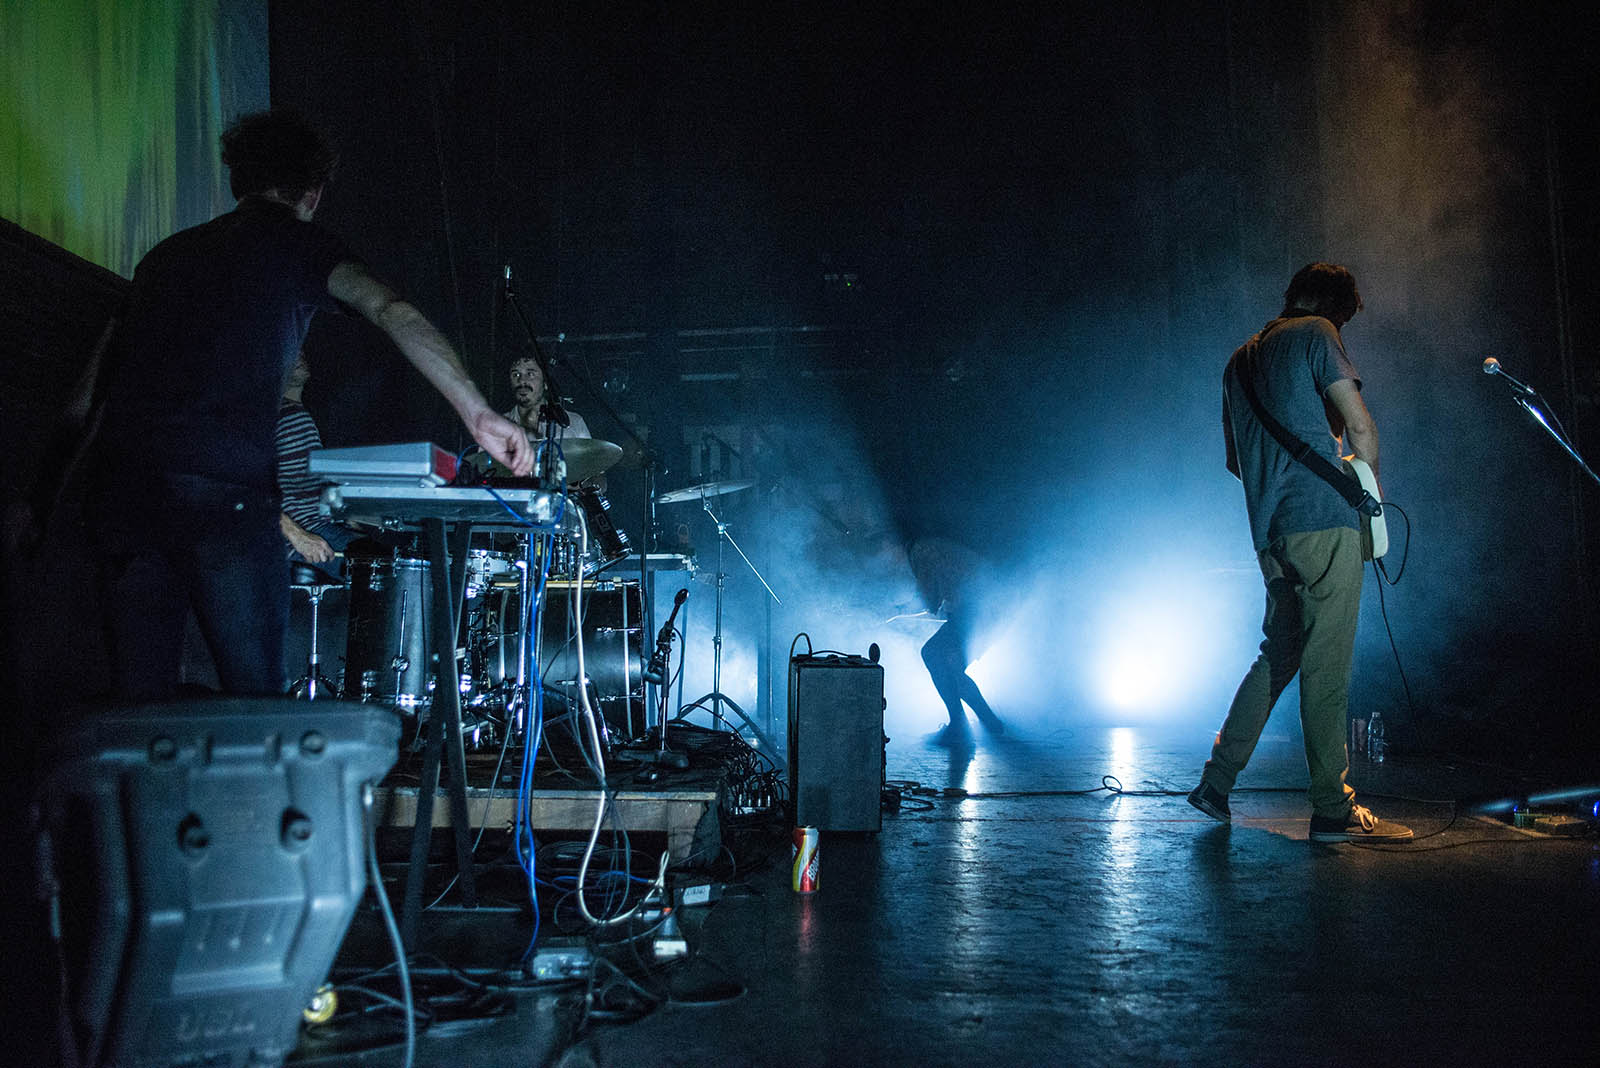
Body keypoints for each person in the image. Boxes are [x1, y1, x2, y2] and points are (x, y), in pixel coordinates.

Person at [85, 109, 531, 700]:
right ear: (313, 193)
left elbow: (90, 392)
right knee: (256, 702)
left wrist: (38, 503)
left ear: (237, 181)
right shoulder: (300, 244)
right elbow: (390, 309)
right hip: (223, 491)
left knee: (137, 707)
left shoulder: (164, 257)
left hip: (123, 488)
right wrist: (477, 413)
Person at [1188, 262, 1411, 842]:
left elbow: (1235, 461)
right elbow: (1361, 429)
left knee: (1278, 655)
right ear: (1335, 308)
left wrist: (1280, 485)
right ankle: (1332, 810)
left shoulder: (1238, 361)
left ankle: (1215, 784)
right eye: (1345, 318)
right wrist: (1369, 498)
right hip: (1326, 525)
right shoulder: (1317, 334)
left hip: (1271, 532)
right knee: (1326, 668)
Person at [908, 536, 1006, 747]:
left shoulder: (921, 551)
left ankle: (960, 726)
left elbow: (931, 601)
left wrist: (906, 605)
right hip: (991, 608)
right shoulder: (939, 547)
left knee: (932, 654)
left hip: (975, 610)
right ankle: (988, 722)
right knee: (950, 667)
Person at [276, 351, 356, 567]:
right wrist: (297, 536)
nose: (299, 354)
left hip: (320, 525)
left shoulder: (300, 413)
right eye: (290, 351)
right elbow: (248, 489)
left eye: (301, 351)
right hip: (307, 532)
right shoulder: (276, 416)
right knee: (396, 568)